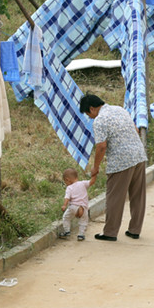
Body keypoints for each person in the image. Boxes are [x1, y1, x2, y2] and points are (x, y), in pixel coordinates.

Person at [80, 95, 146, 242]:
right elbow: (135, 130)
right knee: (138, 196)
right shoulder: (120, 109)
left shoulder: (99, 120)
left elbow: (101, 146)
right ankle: (135, 230)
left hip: (121, 160)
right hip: (139, 155)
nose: (89, 117)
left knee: (115, 197)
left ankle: (110, 232)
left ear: (92, 108)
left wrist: (95, 167)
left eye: (88, 114)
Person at [58, 168, 94, 241]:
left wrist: (64, 205)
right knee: (83, 221)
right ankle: (81, 235)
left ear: (67, 180)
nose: (66, 183)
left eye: (65, 181)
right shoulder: (83, 183)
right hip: (83, 208)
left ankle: (66, 231)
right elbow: (92, 182)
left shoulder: (69, 187)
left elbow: (67, 197)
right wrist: (94, 174)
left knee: (66, 217)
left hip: (73, 207)